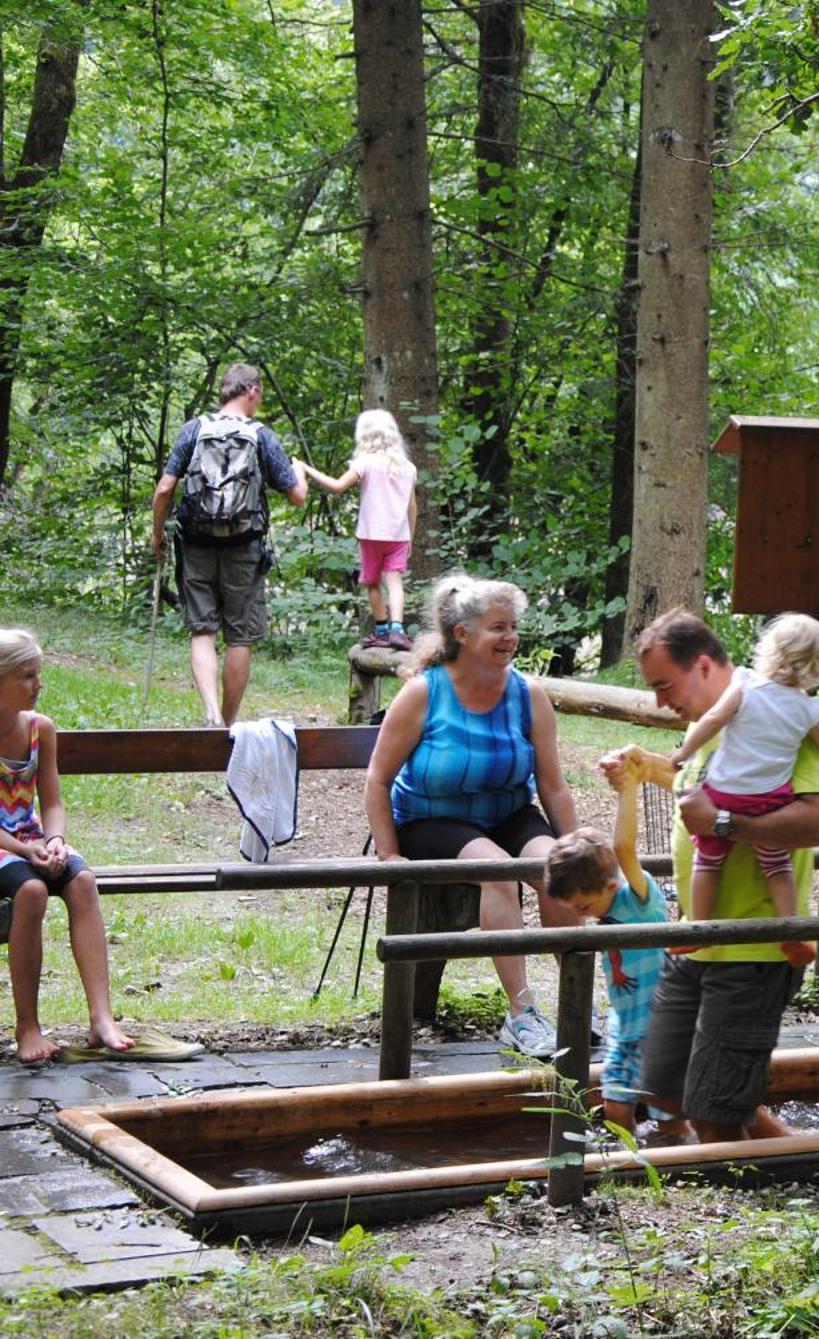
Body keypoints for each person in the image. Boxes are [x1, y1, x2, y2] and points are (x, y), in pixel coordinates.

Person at [599, 608, 819, 1144]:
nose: (660, 700)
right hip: (696, 942)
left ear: (703, 666)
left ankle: (760, 1199)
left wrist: (726, 823)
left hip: (751, 951)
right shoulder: (712, 726)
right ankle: (797, 1154)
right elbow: (700, 791)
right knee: (661, 1090)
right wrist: (644, 767)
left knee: (715, 1111)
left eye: (665, 685)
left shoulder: (783, 722)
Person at [364, 575, 582, 1059]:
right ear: (462, 634)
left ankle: (574, 1006)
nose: (510, 638)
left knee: (556, 868)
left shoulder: (529, 694)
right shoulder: (425, 692)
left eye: (514, 627)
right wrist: (388, 854)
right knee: (498, 872)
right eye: (498, 627)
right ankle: (521, 1014)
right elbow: (377, 779)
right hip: (431, 819)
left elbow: (552, 784)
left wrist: (578, 847)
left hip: (507, 812)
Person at [660, 613, 819, 970]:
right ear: (818, 668)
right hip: (770, 800)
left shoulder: (745, 684)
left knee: (707, 861)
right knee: (777, 866)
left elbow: (712, 721)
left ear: (768, 651)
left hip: (727, 794)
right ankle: (790, 932)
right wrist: (817, 723)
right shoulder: (806, 707)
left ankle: (700, 928)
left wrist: (681, 753)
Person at [149, 362, 309, 727]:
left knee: (202, 629)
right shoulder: (260, 435)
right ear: (251, 391)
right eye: (260, 395)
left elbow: (164, 489)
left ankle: (209, 713)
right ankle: (229, 720)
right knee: (239, 636)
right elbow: (297, 496)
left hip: (196, 545)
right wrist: (299, 473)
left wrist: (157, 535)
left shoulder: (195, 429)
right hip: (244, 547)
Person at [1, 630, 132, 1065]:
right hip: (6, 847)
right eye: (27, 675)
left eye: (39, 674)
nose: (38, 684)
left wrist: (54, 839)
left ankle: (101, 1017)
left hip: (33, 840)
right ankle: (28, 1027)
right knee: (32, 892)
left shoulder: (41, 730)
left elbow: (52, 802)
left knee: (82, 882)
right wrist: (25, 852)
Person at [543, 748, 684, 1139]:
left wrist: (628, 787)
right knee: (614, 1105)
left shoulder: (640, 900)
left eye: (585, 906)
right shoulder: (603, 910)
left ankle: (679, 1158)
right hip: (625, 1025)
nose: (584, 915)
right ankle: (630, 1162)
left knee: (670, 1111)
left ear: (609, 885)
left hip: (662, 1025)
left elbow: (623, 848)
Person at [298, 408, 419, 651]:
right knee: (395, 583)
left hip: (371, 535)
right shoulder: (408, 467)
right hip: (398, 536)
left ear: (365, 436)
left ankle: (382, 630)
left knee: (372, 582)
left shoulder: (365, 462)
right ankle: (398, 630)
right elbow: (412, 507)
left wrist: (305, 469)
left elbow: (336, 487)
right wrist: (411, 538)